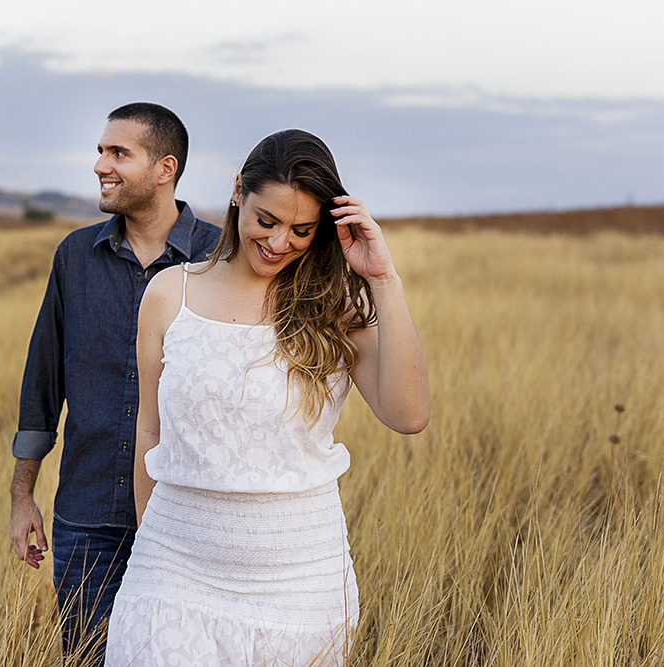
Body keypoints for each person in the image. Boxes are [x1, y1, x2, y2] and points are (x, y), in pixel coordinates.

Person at [105, 129, 431, 666]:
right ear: (239, 191)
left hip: (299, 584)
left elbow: (409, 414)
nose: (280, 243)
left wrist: (384, 279)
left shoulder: (335, 306)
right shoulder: (169, 293)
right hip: (172, 568)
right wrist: (151, 544)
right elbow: (149, 429)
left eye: (302, 230)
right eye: (267, 220)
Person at [8, 102, 221, 663]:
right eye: (101, 151)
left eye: (118, 153)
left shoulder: (222, 258)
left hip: (190, 518)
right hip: (88, 518)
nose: (101, 165)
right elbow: (42, 382)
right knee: (87, 657)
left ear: (165, 168)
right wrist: (22, 496)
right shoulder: (75, 257)